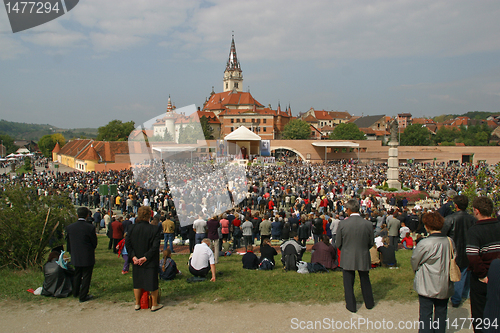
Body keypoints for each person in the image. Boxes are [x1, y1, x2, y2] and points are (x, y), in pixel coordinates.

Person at [411, 211, 453, 333]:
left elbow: (415, 260)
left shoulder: (424, 243)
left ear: (427, 226)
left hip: (427, 281)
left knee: (425, 314)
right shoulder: (449, 241)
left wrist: (416, 270)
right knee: (441, 312)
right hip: (444, 281)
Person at [466, 196, 500, 333]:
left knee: (480, 314)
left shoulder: (474, 231)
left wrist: (482, 275)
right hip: (497, 273)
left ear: (476, 211)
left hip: (482, 277)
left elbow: (472, 256)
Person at [336, 199, 375, 313]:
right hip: (362, 254)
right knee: (365, 280)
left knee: (348, 283)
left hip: (348, 255)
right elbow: (371, 242)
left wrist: (345, 249)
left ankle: (351, 305)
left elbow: (338, 243)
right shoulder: (367, 224)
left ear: (348, 210)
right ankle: (369, 303)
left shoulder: (343, 224)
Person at [125, 206, 163, 312]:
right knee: (152, 281)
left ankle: (137, 303)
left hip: (136, 259)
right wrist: (146, 257)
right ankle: (154, 304)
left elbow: (128, 244)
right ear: (149, 216)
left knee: (137, 281)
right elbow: (155, 246)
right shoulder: (154, 229)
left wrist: (133, 256)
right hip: (149, 259)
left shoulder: (131, 228)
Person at [441, 195, 476, 308]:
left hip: (454, 250)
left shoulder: (449, 219)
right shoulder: (472, 220)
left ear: (455, 205)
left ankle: (456, 298)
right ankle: (465, 294)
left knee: (455, 274)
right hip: (469, 249)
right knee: (465, 273)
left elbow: (443, 236)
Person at [65, 207, 97, 302]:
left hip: (75, 254)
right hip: (87, 254)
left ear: (77, 215)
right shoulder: (90, 227)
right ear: (88, 215)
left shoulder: (70, 227)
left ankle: (75, 292)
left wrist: (71, 252)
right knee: (86, 275)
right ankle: (83, 295)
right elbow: (94, 242)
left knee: (77, 274)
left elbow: (68, 242)